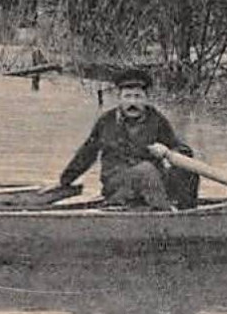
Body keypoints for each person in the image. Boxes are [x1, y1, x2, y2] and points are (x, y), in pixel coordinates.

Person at [55, 68, 194, 210]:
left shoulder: (157, 120)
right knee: (145, 170)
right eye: (127, 97)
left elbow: (181, 149)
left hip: (152, 185)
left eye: (138, 97)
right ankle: (167, 216)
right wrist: (64, 181)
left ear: (146, 98)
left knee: (188, 166)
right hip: (119, 187)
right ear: (119, 98)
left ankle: (187, 214)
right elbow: (86, 154)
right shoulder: (106, 122)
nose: (132, 102)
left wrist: (167, 152)